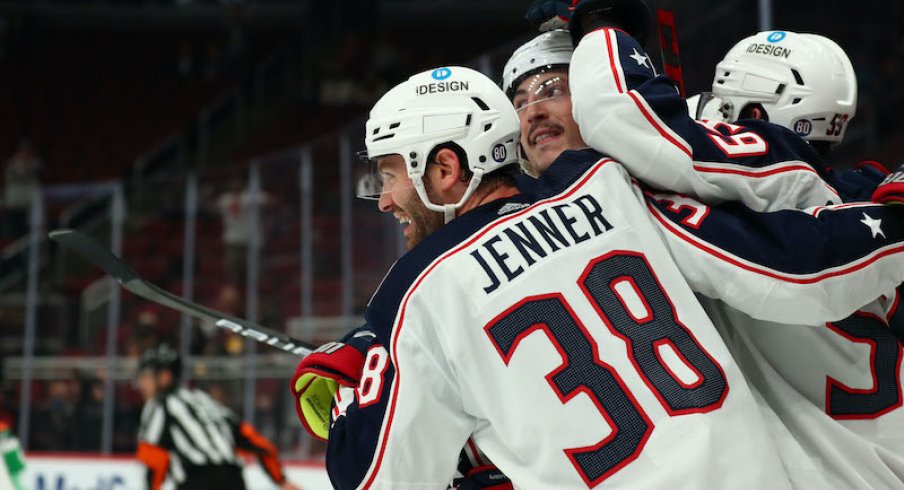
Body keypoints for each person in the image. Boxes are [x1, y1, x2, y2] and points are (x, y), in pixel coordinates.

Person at [291, 65, 904, 488]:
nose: (384, 199)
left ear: (446, 166)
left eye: (390, 175)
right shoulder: (607, 185)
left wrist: (360, 382)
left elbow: (377, 477)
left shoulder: (415, 292)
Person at [518, 3, 904, 486]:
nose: (706, 110)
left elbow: (631, 122)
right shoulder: (852, 201)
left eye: (721, 101)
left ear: (758, 114)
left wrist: (605, 22)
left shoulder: (783, 168)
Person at [136, 344, 300, 490]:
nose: (141, 384)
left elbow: (154, 459)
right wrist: (282, 481)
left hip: (196, 482)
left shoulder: (158, 405)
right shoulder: (205, 401)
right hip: (234, 480)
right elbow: (260, 444)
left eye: (146, 377)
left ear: (165, 376)